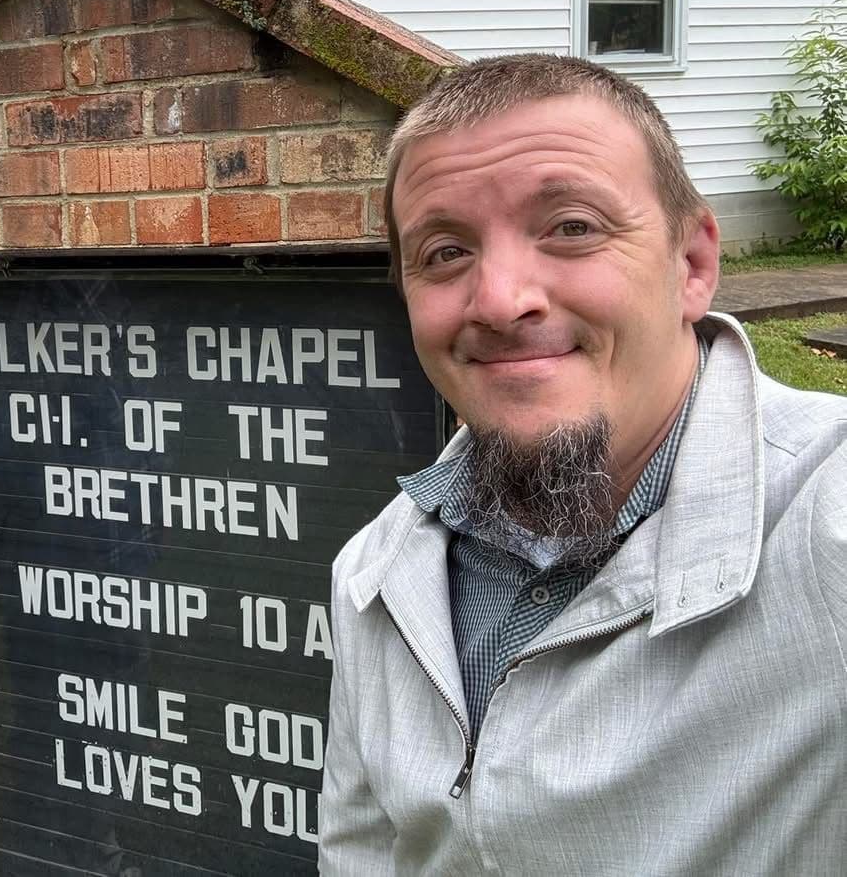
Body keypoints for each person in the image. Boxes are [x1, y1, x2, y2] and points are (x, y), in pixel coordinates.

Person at [318, 54, 847, 873]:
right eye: (446, 251)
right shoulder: (375, 577)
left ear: (693, 264)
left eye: (572, 227)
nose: (499, 299)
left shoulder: (823, 523)